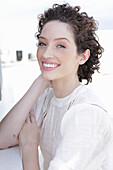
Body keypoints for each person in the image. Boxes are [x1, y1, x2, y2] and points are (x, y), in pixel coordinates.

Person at [0, 3, 113, 170]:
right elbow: (4, 138)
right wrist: (41, 81)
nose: (46, 54)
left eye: (61, 45)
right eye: (42, 43)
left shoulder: (86, 113)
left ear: (82, 57)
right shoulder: (47, 97)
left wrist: (30, 149)